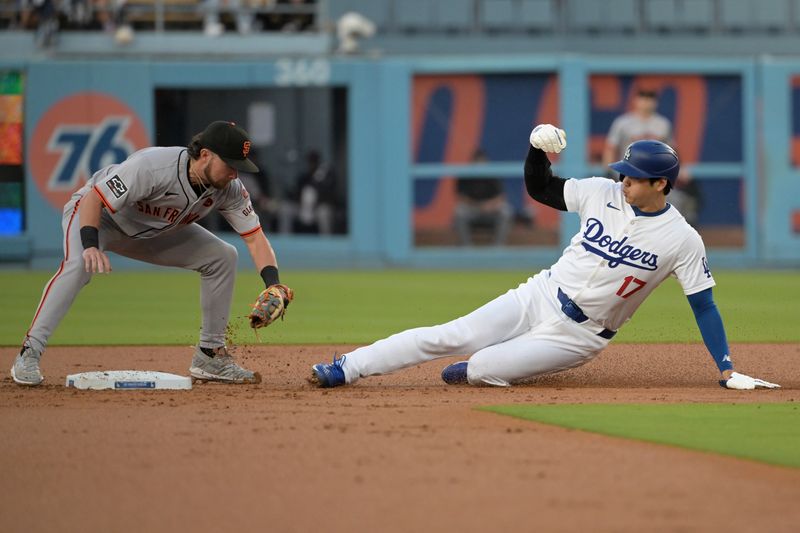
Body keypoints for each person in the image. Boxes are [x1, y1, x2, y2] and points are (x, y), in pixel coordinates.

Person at [309, 124, 779, 391]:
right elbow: (540, 188)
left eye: (634, 177)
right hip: (539, 294)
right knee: (449, 334)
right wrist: (536, 151)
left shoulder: (683, 238)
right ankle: (347, 367)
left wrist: (726, 368)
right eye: (624, 173)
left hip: (580, 336)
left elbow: (704, 304)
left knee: (482, 370)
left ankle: (480, 366)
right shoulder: (601, 192)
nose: (623, 180)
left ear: (662, 184)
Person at [11, 121, 292, 386]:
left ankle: (210, 355)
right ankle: (29, 352)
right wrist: (90, 243)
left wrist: (273, 284)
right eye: (230, 164)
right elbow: (94, 198)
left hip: (154, 233)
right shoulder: (154, 166)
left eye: (238, 167)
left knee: (222, 256)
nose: (234, 173)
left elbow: (255, 238)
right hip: (101, 219)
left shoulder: (229, 189)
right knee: (77, 265)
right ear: (205, 155)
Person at [602, 89, 672, 179]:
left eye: (650, 99)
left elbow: (671, 150)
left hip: (655, 173)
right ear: (635, 101)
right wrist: (608, 170)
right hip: (629, 170)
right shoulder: (623, 122)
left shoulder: (663, 124)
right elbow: (611, 148)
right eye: (643, 99)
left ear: (656, 102)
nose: (646, 103)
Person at [453, 149, 514, 246]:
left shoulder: (492, 175)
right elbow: (461, 197)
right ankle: (466, 248)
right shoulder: (465, 176)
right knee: (459, 211)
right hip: (472, 210)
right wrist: (478, 205)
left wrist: (489, 205)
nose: (479, 165)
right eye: (476, 162)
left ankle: (498, 247)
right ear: (472, 162)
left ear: (486, 162)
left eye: (481, 162)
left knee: (506, 211)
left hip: (490, 211)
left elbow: (501, 197)